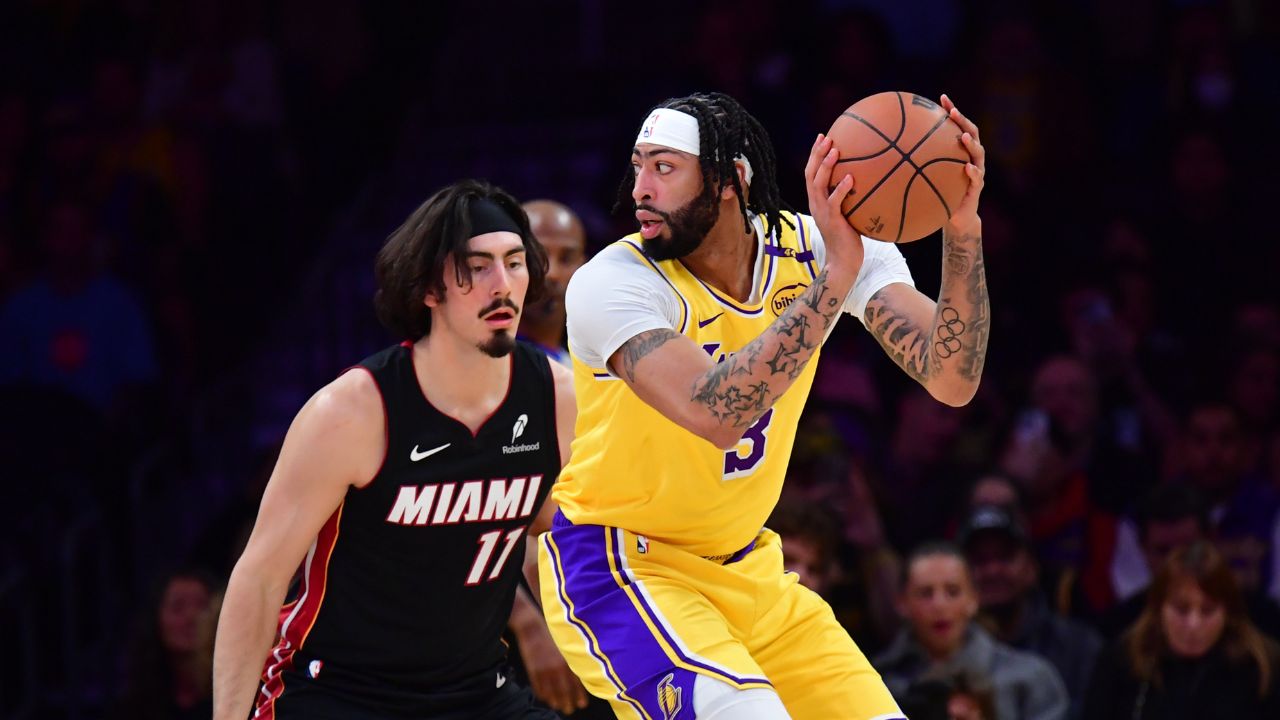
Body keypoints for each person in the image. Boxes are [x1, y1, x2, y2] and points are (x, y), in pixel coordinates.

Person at [538, 90, 989, 719]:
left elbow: (952, 377)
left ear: (730, 180)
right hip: (622, 568)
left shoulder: (822, 247)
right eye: (638, 165)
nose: (640, 187)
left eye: (664, 167)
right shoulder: (614, 282)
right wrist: (834, 280)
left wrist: (961, 228)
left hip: (748, 566)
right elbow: (719, 413)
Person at [212, 180, 574, 720]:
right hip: (341, 693)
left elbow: (560, 541)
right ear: (429, 289)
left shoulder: (557, 395)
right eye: (476, 267)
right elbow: (259, 579)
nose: (502, 285)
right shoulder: (352, 411)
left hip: (475, 692)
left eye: (515, 262)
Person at [1083, 540, 1280, 719]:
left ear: (1228, 614)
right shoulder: (1122, 662)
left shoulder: (1263, 666)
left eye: (1208, 611)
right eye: (1181, 609)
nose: (1193, 624)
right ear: (1158, 609)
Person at [875, 543, 1069, 720]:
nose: (939, 605)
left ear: (974, 599)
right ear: (901, 603)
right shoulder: (877, 684)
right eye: (926, 594)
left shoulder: (1031, 677)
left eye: (953, 591)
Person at [959, 505, 1101, 719]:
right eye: (979, 561)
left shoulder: (1079, 648)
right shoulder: (942, 653)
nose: (992, 570)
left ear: (1032, 568)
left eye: (1004, 557)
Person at [111, 568, 219, 720]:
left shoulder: (241, 696)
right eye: (178, 607)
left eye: (202, 606)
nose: (192, 618)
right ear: (155, 621)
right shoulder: (135, 707)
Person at [519, 199, 587, 365]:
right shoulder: (482, 363)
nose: (552, 274)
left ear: (584, 267)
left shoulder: (587, 374)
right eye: (538, 257)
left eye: (566, 258)